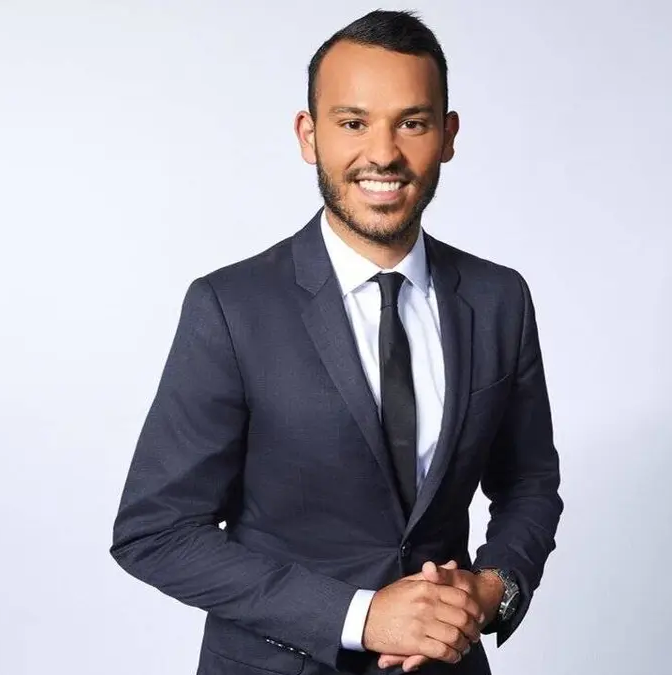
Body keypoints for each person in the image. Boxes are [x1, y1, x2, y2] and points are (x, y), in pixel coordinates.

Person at [110, 9, 563, 674]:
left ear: (447, 136)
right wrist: (360, 616)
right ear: (308, 134)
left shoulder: (499, 299)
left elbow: (529, 483)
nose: (382, 154)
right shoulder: (231, 307)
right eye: (353, 123)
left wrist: (492, 589)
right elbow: (156, 530)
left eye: (412, 123)